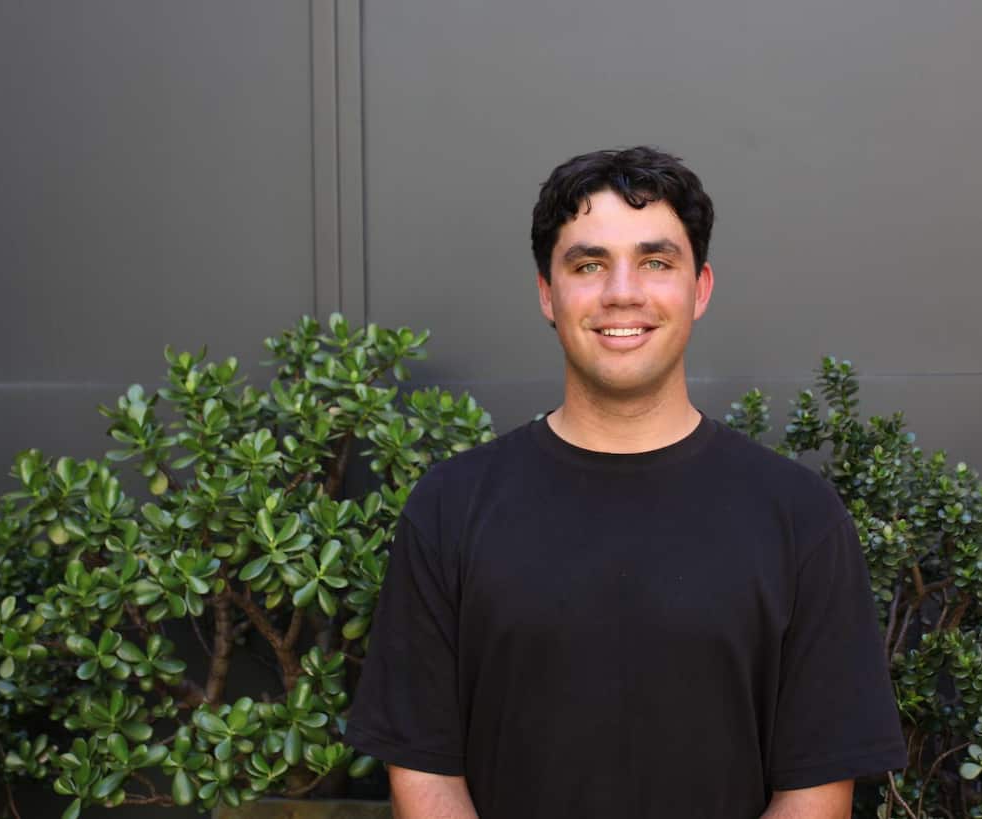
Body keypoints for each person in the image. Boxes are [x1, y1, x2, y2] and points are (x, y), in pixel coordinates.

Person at [347, 146, 906, 818]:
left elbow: (815, 793)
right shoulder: (450, 507)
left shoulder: (799, 517)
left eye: (655, 261)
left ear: (699, 288)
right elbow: (425, 773)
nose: (622, 293)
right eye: (589, 264)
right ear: (547, 294)